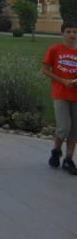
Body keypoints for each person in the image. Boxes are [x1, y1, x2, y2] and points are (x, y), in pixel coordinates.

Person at [43, 21, 77, 175]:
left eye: (75, 32)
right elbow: (46, 71)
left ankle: (69, 159)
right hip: (60, 93)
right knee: (64, 127)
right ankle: (56, 152)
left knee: (74, 129)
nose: (72, 35)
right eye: (69, 31)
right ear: (63, 33)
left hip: (75, 95)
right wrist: (63, 81)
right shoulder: (55, 49)